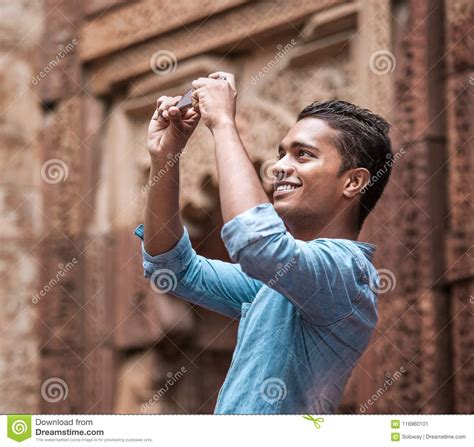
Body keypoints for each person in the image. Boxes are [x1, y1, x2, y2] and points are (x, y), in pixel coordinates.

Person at [134, 71, 393, 414]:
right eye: (281, 153)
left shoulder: (346, 273)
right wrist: (165, 158)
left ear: (353, 182)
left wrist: (224, 123)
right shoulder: (275, 287)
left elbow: (257, 244)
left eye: (303, 155)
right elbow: (172, 268)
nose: (279, 167)